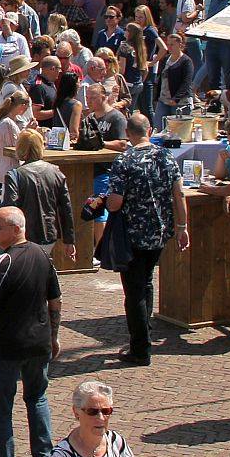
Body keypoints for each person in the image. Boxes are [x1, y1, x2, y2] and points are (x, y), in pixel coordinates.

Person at [0, 206, 62, 457]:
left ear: (16, 229)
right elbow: (55, 301)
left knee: (2, 410)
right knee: (38, 400)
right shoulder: (42, 255)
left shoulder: (2, 262)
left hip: (6, 348)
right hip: (38, 344)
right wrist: (54, 336)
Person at [99, 114, 189, 365]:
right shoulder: (166, 157)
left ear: (128, 132)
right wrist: (182, 226)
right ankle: (145, 336)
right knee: (146, 282)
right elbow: (178, 194)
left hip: (133, 234)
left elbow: (115, 203)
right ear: (149, 130)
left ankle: (140, 348)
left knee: (135, 290)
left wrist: (102, 201)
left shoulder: (124, 161)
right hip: (159, 231)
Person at [10, 131, 77, 261]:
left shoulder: (14, 175)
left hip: (23, 235)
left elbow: (10, 208)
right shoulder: (56, 172)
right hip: (49, 233)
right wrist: (69, 240)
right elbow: (66, 209)